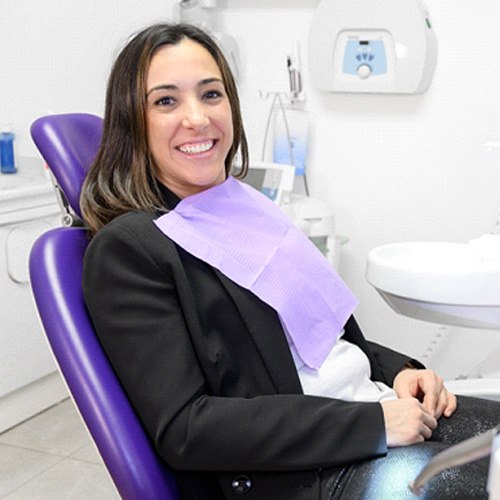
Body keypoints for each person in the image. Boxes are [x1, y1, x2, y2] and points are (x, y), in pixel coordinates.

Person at [81, 23, 500, 499]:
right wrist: (372, 424)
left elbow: (325, 339)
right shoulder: (131, 249)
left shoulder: (243, 208)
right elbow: (188, 427)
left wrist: (399, 372)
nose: (197, 118)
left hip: (373, 409)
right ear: (131, 122)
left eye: (211, 94)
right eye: (166, 101)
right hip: (306, 471)